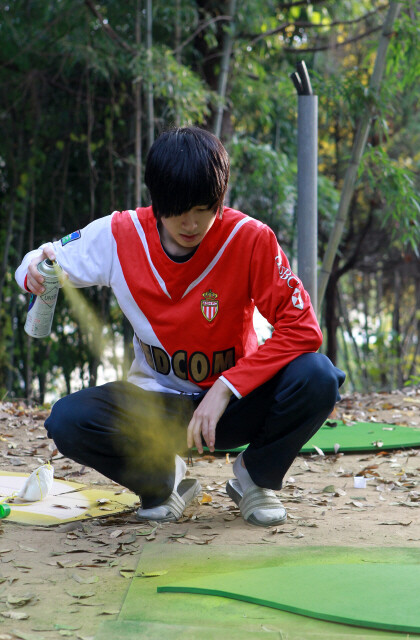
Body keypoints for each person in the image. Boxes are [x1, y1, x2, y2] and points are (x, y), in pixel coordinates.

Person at [16, 126, 345, 527]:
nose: (190, 223)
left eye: (203, 209)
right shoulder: (121, 234)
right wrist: (31, 272)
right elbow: (43, 258)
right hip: (157, 409)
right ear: (156, 201)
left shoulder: (250, 238)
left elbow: (303, 328)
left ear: (220, 198)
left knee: (318, 376)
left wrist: (226, 386)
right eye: (177, 210)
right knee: (66, 420)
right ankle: (164, 481)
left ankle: (255, 477)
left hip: (232, 407)